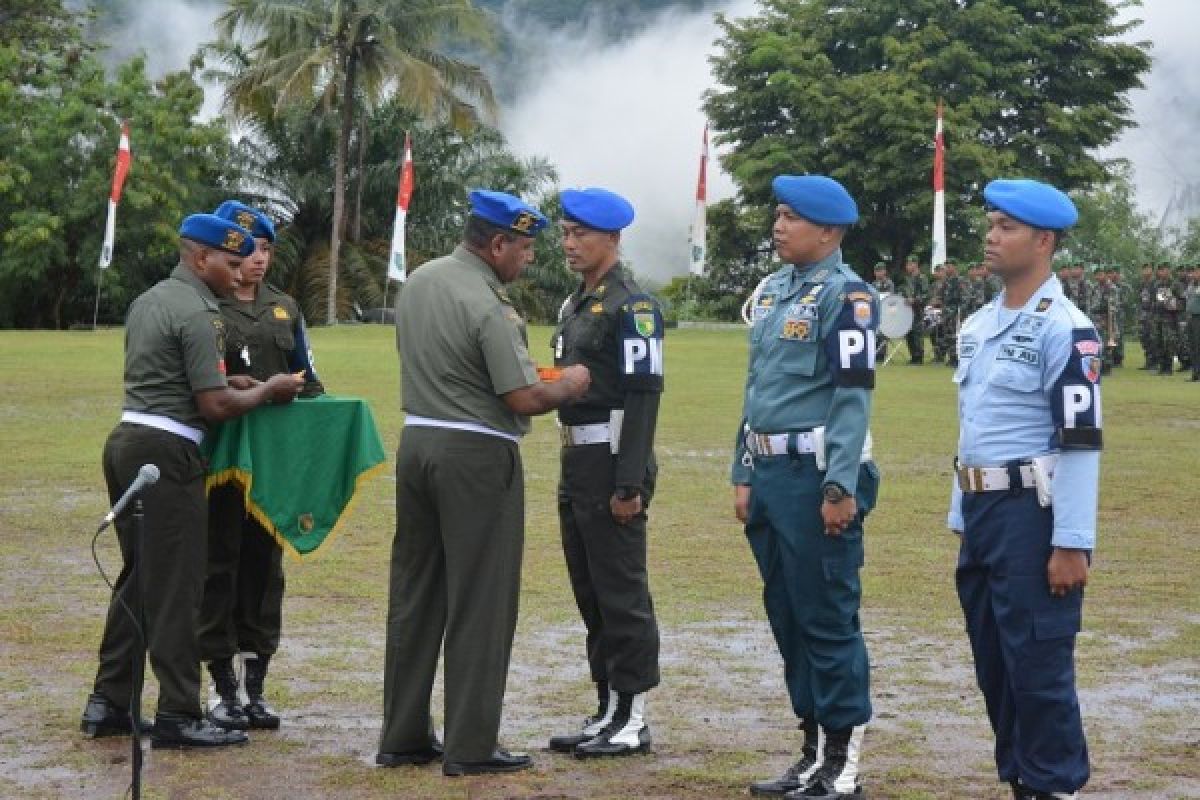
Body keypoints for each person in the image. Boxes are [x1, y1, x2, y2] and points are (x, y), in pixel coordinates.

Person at [378, 189, 591, 776]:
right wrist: (570, 382)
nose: (528, 260)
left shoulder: (420, 281)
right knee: (482, 598)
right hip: (476, 452)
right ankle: (471, 744)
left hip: (417, 443)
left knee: (416, 594)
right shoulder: (491, 304)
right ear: (496, 243)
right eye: (523, 248)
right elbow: (522, 395)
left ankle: (401, 735)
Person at [81, 214, 302, 748]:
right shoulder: (202, 313)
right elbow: (216, 405)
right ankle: (180, 713)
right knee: (178, 589)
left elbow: (180, 375)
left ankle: (108, 702)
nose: (237, 275)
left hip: (128, 440)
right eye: (229, 262)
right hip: (169, 453)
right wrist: (268, 388)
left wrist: (235, 381)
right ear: (201, 258)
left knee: (140, 580)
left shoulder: (151, 299)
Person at [949, 179, 1101, 800]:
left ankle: (1055, 786)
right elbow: (974, 423)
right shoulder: (982, 323)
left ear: (1043, 241)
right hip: (983, 512)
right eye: (990, 223)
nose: (991, 236)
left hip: (1031, 515)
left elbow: (1081, 441)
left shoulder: (1066, 329)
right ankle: (1023, 781)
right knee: (996, 666)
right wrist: (960, 508)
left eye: (1006, 227)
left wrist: (1072, 542)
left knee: (1038, 669)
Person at [734, 175, 881, 800]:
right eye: (777, 213)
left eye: (791, 216)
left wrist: (839, 486)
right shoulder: (771, 293)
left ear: (828, 230)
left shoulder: (849, 298)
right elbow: (756, 390)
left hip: (817, 476)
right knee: (788, 615)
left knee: (826, 617)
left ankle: (842, 759)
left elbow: (852, 397)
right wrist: (742, 471)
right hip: (769, 474)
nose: (777, 224)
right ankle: (810, 751)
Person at [196, 200, 324, 733]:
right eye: (247, 248)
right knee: (217, 566)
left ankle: (256, 685)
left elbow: (310, 378)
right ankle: (220, 686)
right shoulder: (207, 307)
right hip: (220, 461)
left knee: (264, 570)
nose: (257, 258)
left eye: (266, 248)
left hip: (270, 466)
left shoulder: (285, 308)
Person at [546, 188, 664, 759]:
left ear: (612, 239)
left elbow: (644, 398)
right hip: (577, 461)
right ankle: (607, 708)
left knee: (622, 593)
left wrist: (629, 483)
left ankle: (634, 716)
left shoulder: (632, 307)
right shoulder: (575, 305)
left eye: (581, 234)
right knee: (590, 592)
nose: (569, 244)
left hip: (613, 460)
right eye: (566, 233)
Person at [1151, 262, 1185, 375]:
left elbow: (1182, 300)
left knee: (1168, 342)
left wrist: (1172, 304)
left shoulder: (1175, 284)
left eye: (1165, 269)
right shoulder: (1156, 285)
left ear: (1169, 270)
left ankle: (1168, 368)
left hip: (1170, 319)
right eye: (1161, 270)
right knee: (1158, 341)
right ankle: (1162, 367)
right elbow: (1154, 300)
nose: (1163, 272)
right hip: (1158, 318)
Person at [900, 258, 929, 365]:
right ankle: (913, 356)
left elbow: (926, 295)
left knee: (917, 333)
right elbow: (904, 292)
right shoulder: (907, 279)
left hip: (918, 310)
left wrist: (915, 300)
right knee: (909, 333)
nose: (907, 266)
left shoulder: (922, 278)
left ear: (916, 265)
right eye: (907, 264)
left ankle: (919, 357)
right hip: (908, 310)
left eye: (910, 264)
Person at [1136, 264, 1157, 369]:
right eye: (1144, 269)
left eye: (1148, 269)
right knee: (1144, 338)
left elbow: (1159, 300)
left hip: (1152, 314)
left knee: (1153, 338)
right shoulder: (1141, 284)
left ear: (1152, 271)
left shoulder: (1155, 283)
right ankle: (1148, 361)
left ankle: (1154, 362)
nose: (1145, 271)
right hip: (1143, 313)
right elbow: (1139, 299)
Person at [1186, 264, 1200, 381]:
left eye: (1197, 272)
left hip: (1198, 318)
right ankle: (1195, 374)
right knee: (1192, 346)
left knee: (1198, 346)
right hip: (1191, 317)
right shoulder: (1191, 285)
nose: (1194, 274)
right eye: (1194, 272)